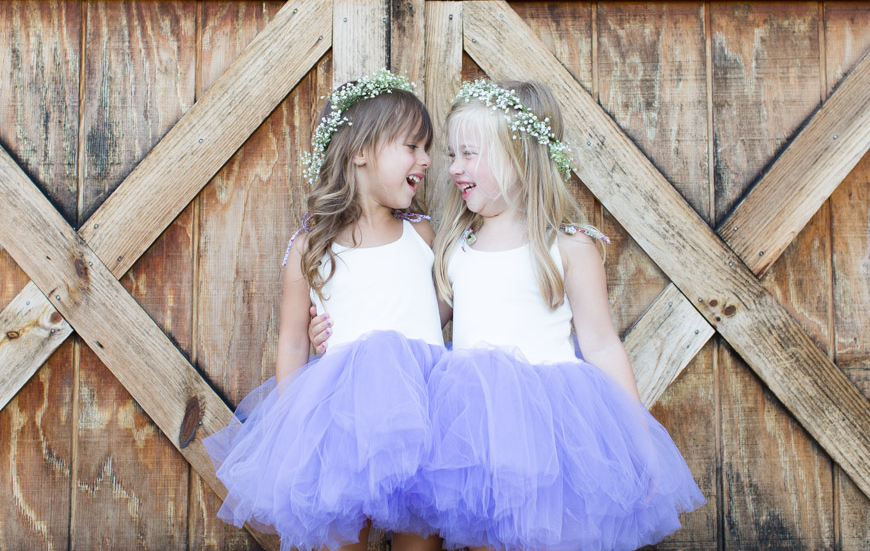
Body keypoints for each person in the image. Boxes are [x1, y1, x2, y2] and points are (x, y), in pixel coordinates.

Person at [312, 79, 705, 551]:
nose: (453, 168)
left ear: (519, 157)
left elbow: (602, 344)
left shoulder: (569, 245)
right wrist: (336, 329)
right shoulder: (458, 246)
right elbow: (417, 319)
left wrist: (639, 444)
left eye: (468, 154)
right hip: (473, 431)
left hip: (549, 427)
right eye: (452, 154)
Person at [203, 69, 446, 551]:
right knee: (341, 536)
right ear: (359, 152)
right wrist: (296, 431)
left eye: (427, 148)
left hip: (424, 413)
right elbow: (293, 341)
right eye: (412, 147)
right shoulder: (312, 247)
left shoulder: (423, 236)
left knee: (422, 536)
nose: (427, 160)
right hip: (340, 422)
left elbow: (438, 314)